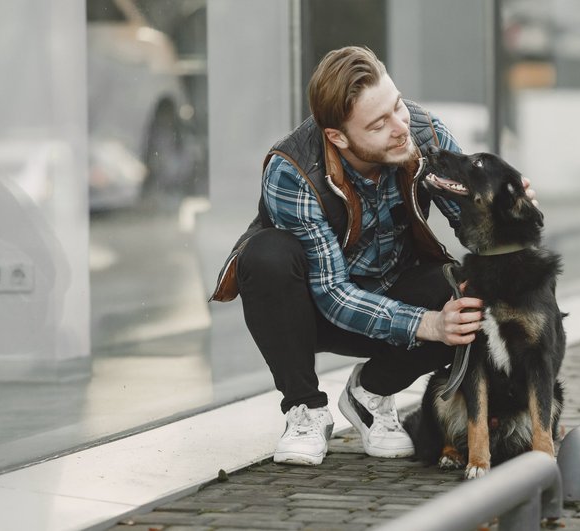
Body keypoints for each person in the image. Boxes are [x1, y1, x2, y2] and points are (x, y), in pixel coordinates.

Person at [211, 46, 535, 466]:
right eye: (379, 123)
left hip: (396, 289)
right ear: (338, 137)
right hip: (313, 309)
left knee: (465, 293)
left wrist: (509, 214)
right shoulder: (291, 169)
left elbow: (475, 229)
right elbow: (332, 293)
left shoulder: (424, 133)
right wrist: (428, 324)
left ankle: (370, 392)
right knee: (266, 256)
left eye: (397, 105)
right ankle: (305, 409)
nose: (400, 127)